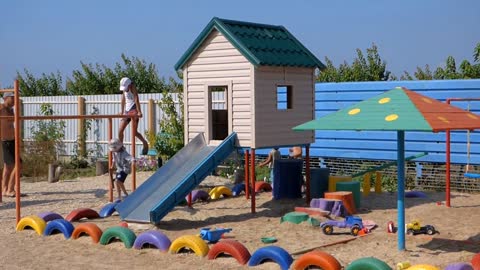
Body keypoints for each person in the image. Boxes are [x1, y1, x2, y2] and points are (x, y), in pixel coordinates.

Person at [118, 77, 149, 155]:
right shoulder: (124, 89)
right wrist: (122, 111)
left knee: (134, 132)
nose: (125, 89)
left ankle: (145, 143)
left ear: (129, 84)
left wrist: (139, 111)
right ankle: (121, 147)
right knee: (120, 130)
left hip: (134, 109)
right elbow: (123, 99)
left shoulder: (132, 87)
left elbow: (136, 99)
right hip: (127, 111)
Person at [0, 92, 18, 197]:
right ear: (6, 98)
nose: (15, 100)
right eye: (13, 98)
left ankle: (5, 189)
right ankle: (10, 189)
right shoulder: (1, 108)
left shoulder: (11, 110)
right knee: (17, 164)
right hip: (4, 140)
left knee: (8, 167)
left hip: (11, 140)